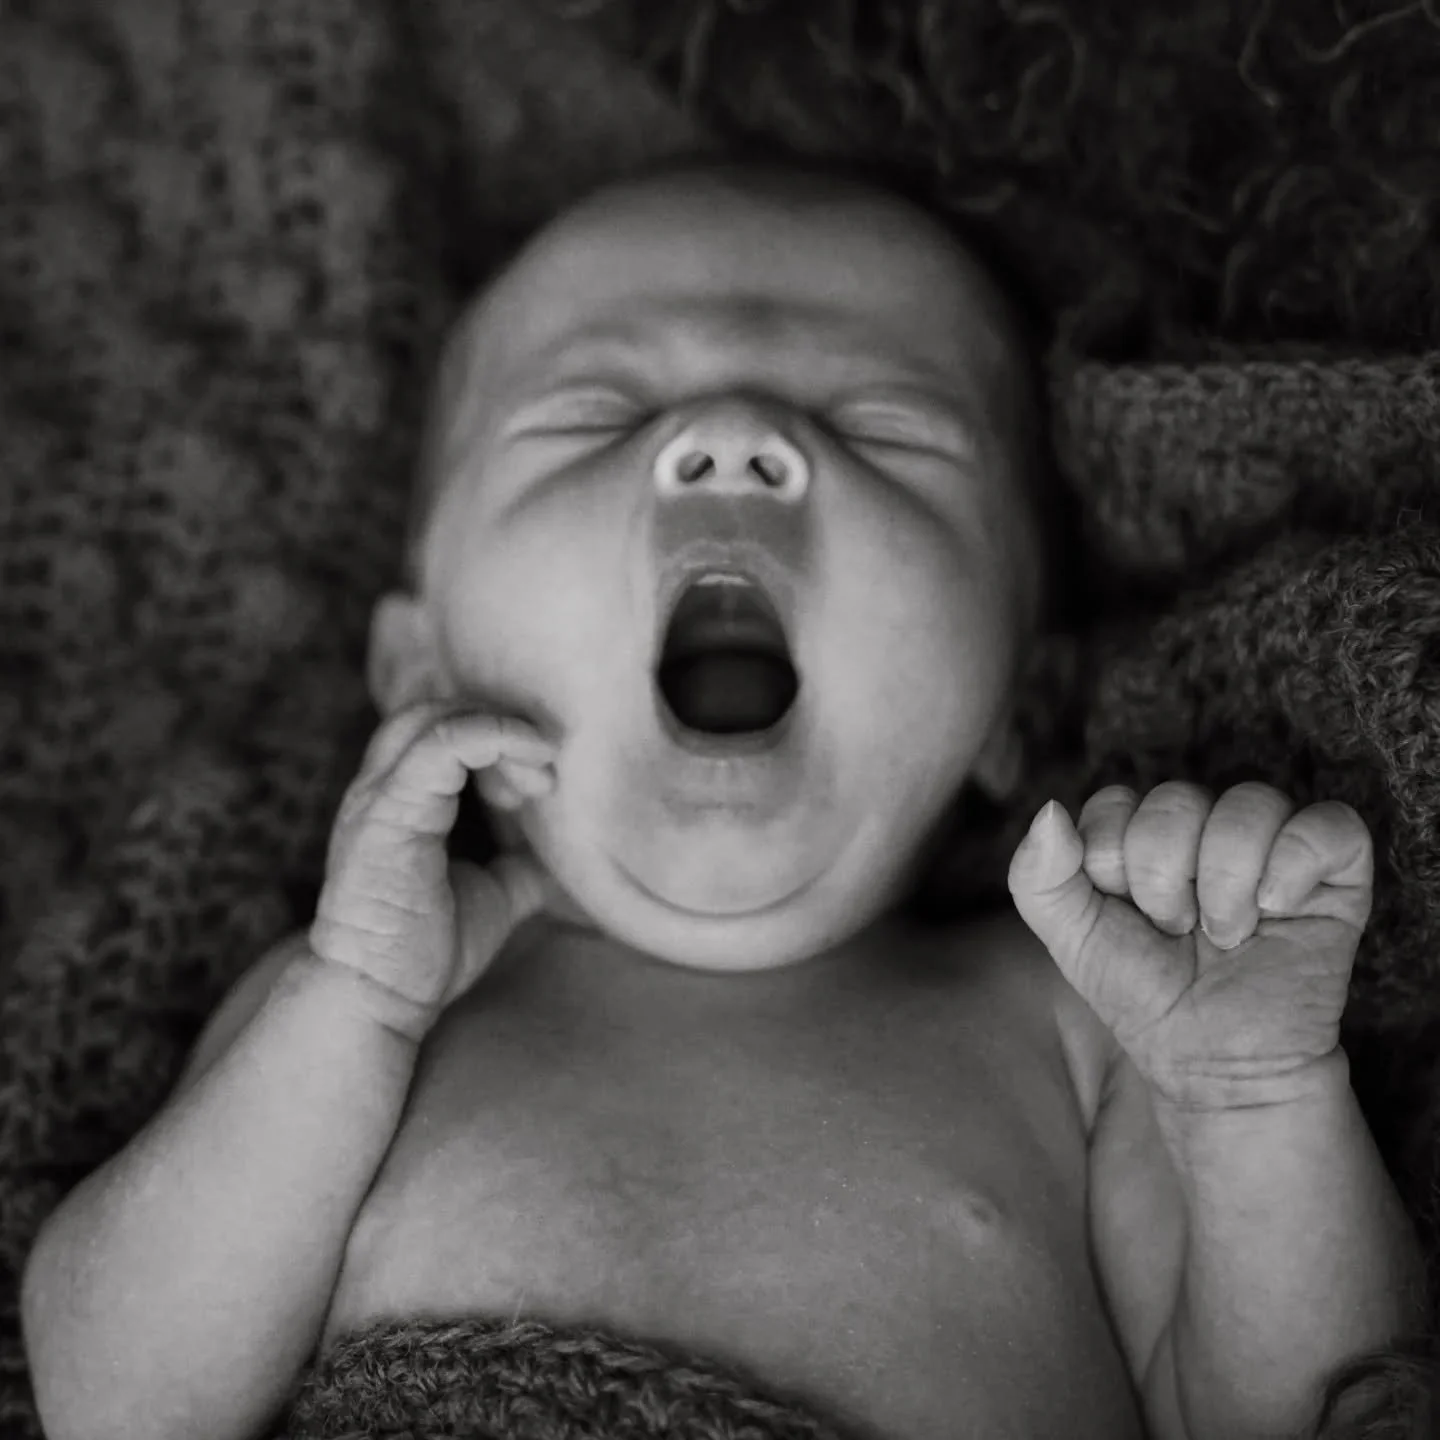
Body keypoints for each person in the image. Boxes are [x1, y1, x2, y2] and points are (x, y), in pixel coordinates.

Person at [20, 154, 1427, 1440]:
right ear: (419, 666)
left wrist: (1254, 1099)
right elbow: (116, 1399)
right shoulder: (367, 1012)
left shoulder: (1085, 1023)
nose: (732, 437)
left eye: (883, 425)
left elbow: (1295, 1420)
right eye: (594, 412)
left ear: (1017, 702)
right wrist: (345, 1011)